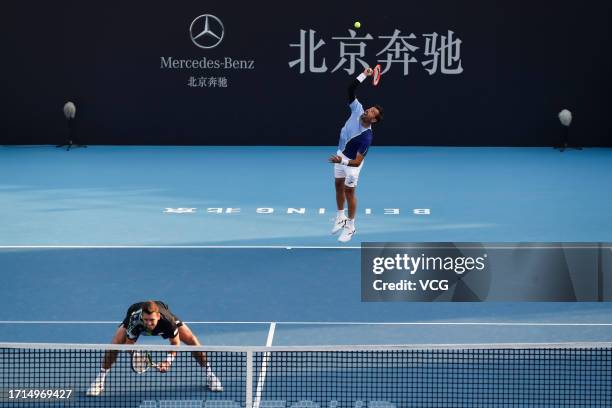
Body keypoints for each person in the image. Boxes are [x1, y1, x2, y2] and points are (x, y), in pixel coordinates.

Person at [86, 300, 222, 396]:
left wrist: (168, 361)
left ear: (158, 316)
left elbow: (175, 343)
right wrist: (137, 355)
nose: (149, 323)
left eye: (152, 320)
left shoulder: (168, 322)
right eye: (146, 320)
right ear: (142, 317)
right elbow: (128, 345)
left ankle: (210, 375)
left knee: (193, 341)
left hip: (164, 319)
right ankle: (100, 379)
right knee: (113, 347)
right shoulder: (136, 320)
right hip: (133, 316)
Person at [329, 67, 383, 243]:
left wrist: (341, 162)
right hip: (341, 153)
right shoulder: (357, 109)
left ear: (374, 120)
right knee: (338, 185)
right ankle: (340, 217)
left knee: (349, 192)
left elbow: (357, 161)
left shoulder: (366, 137)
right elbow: (350, 89)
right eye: (370, 108)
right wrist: (364, 75)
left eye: (373, 112)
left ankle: (351, 227)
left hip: (351, 164)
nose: (369, 110)